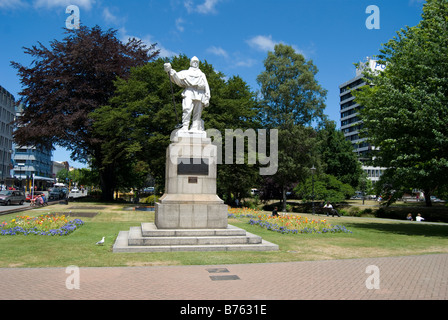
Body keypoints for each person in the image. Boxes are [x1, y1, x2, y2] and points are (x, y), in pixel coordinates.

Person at [164, 56, 211, 132]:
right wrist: (170, 70)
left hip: (199, 93)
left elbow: (206, 86)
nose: (195, 63)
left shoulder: (202, 74)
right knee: (187, 109)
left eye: (196, 62)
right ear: (191, 63)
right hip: (189, 91)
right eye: (193, 62)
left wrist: (207, 98)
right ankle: (185, 126)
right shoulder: (185, 72)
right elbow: (177, 78)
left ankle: (195, 127)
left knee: (197, 112)